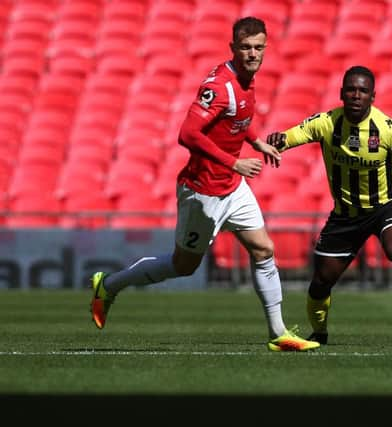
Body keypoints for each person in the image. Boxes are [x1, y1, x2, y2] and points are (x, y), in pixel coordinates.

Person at [89, 16, 319, 352]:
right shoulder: (219, 86)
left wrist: (256, 144)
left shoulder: (248, 80)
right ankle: (108, 285)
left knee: (264, 249)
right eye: (245, 47)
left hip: (232, 186)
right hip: (203, 191)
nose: (252, 54)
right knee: (182, 266)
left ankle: (278, 333)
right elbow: (187, 134)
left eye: (258, 48)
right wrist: (235, 161)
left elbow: (239, 119)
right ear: (233, 48)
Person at [266, 65, 392, 344]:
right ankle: (320, 333)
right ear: (341, 94)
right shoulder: (326, 123)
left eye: (363, 91)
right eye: (351, 90)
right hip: (345, 215)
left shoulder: (389, 130)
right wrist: (280, 140)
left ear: (373, 96)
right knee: (321, 283)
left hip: (385, 206)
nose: (356, 95)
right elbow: (294, 136)